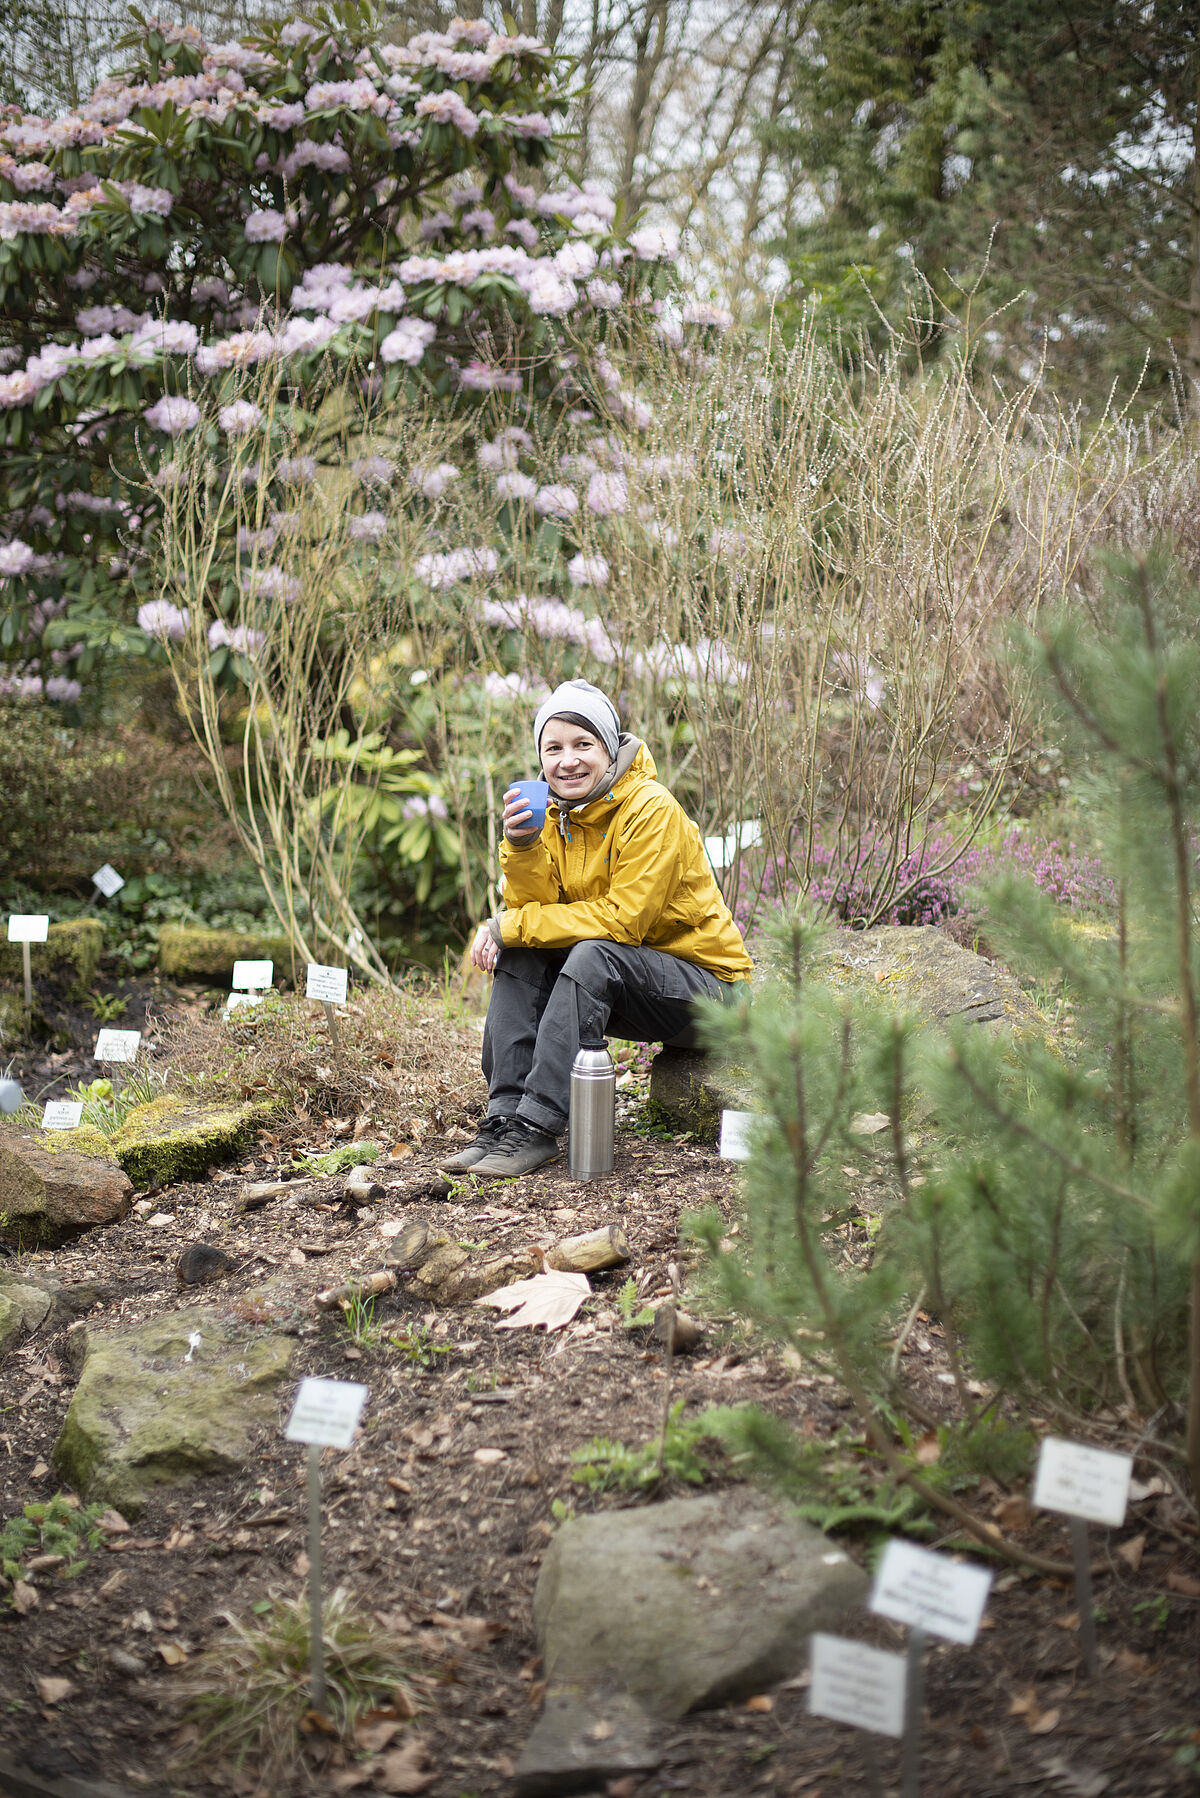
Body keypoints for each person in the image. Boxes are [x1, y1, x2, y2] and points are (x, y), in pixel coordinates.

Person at [442, 678, 753, 1177]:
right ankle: (504, 1120)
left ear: (609, 749)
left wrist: (511, 924)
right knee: (523, 953)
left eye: (583, 744)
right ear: (540, 758)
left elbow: (622, 923)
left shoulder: (651, 809)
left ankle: (537, 1127)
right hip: (630, 987)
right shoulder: (553, 812)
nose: (569, 760)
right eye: (554, 747)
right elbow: (537, 916)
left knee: (588, 952)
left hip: (711, 994)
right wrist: (522, 849)